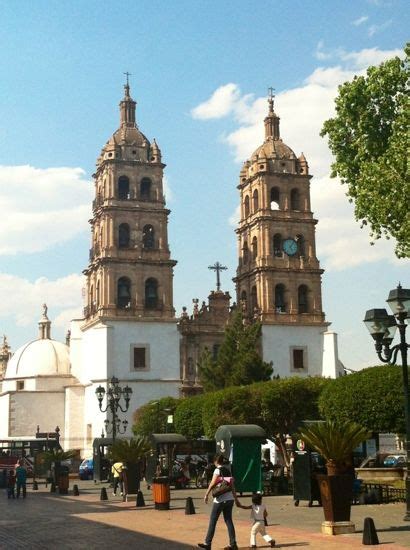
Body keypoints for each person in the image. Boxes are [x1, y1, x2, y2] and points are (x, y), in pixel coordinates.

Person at [198, 454, 238, 550]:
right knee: (228, 520)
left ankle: (208, 543)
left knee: (213, 520)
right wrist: (235, 498)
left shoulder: (217, 470)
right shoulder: (228, 470)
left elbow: (212, 483)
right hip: (229, 499)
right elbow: (232, 485)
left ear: (215, 461)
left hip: (220, 500)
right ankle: (233, 544)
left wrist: (206, 494)